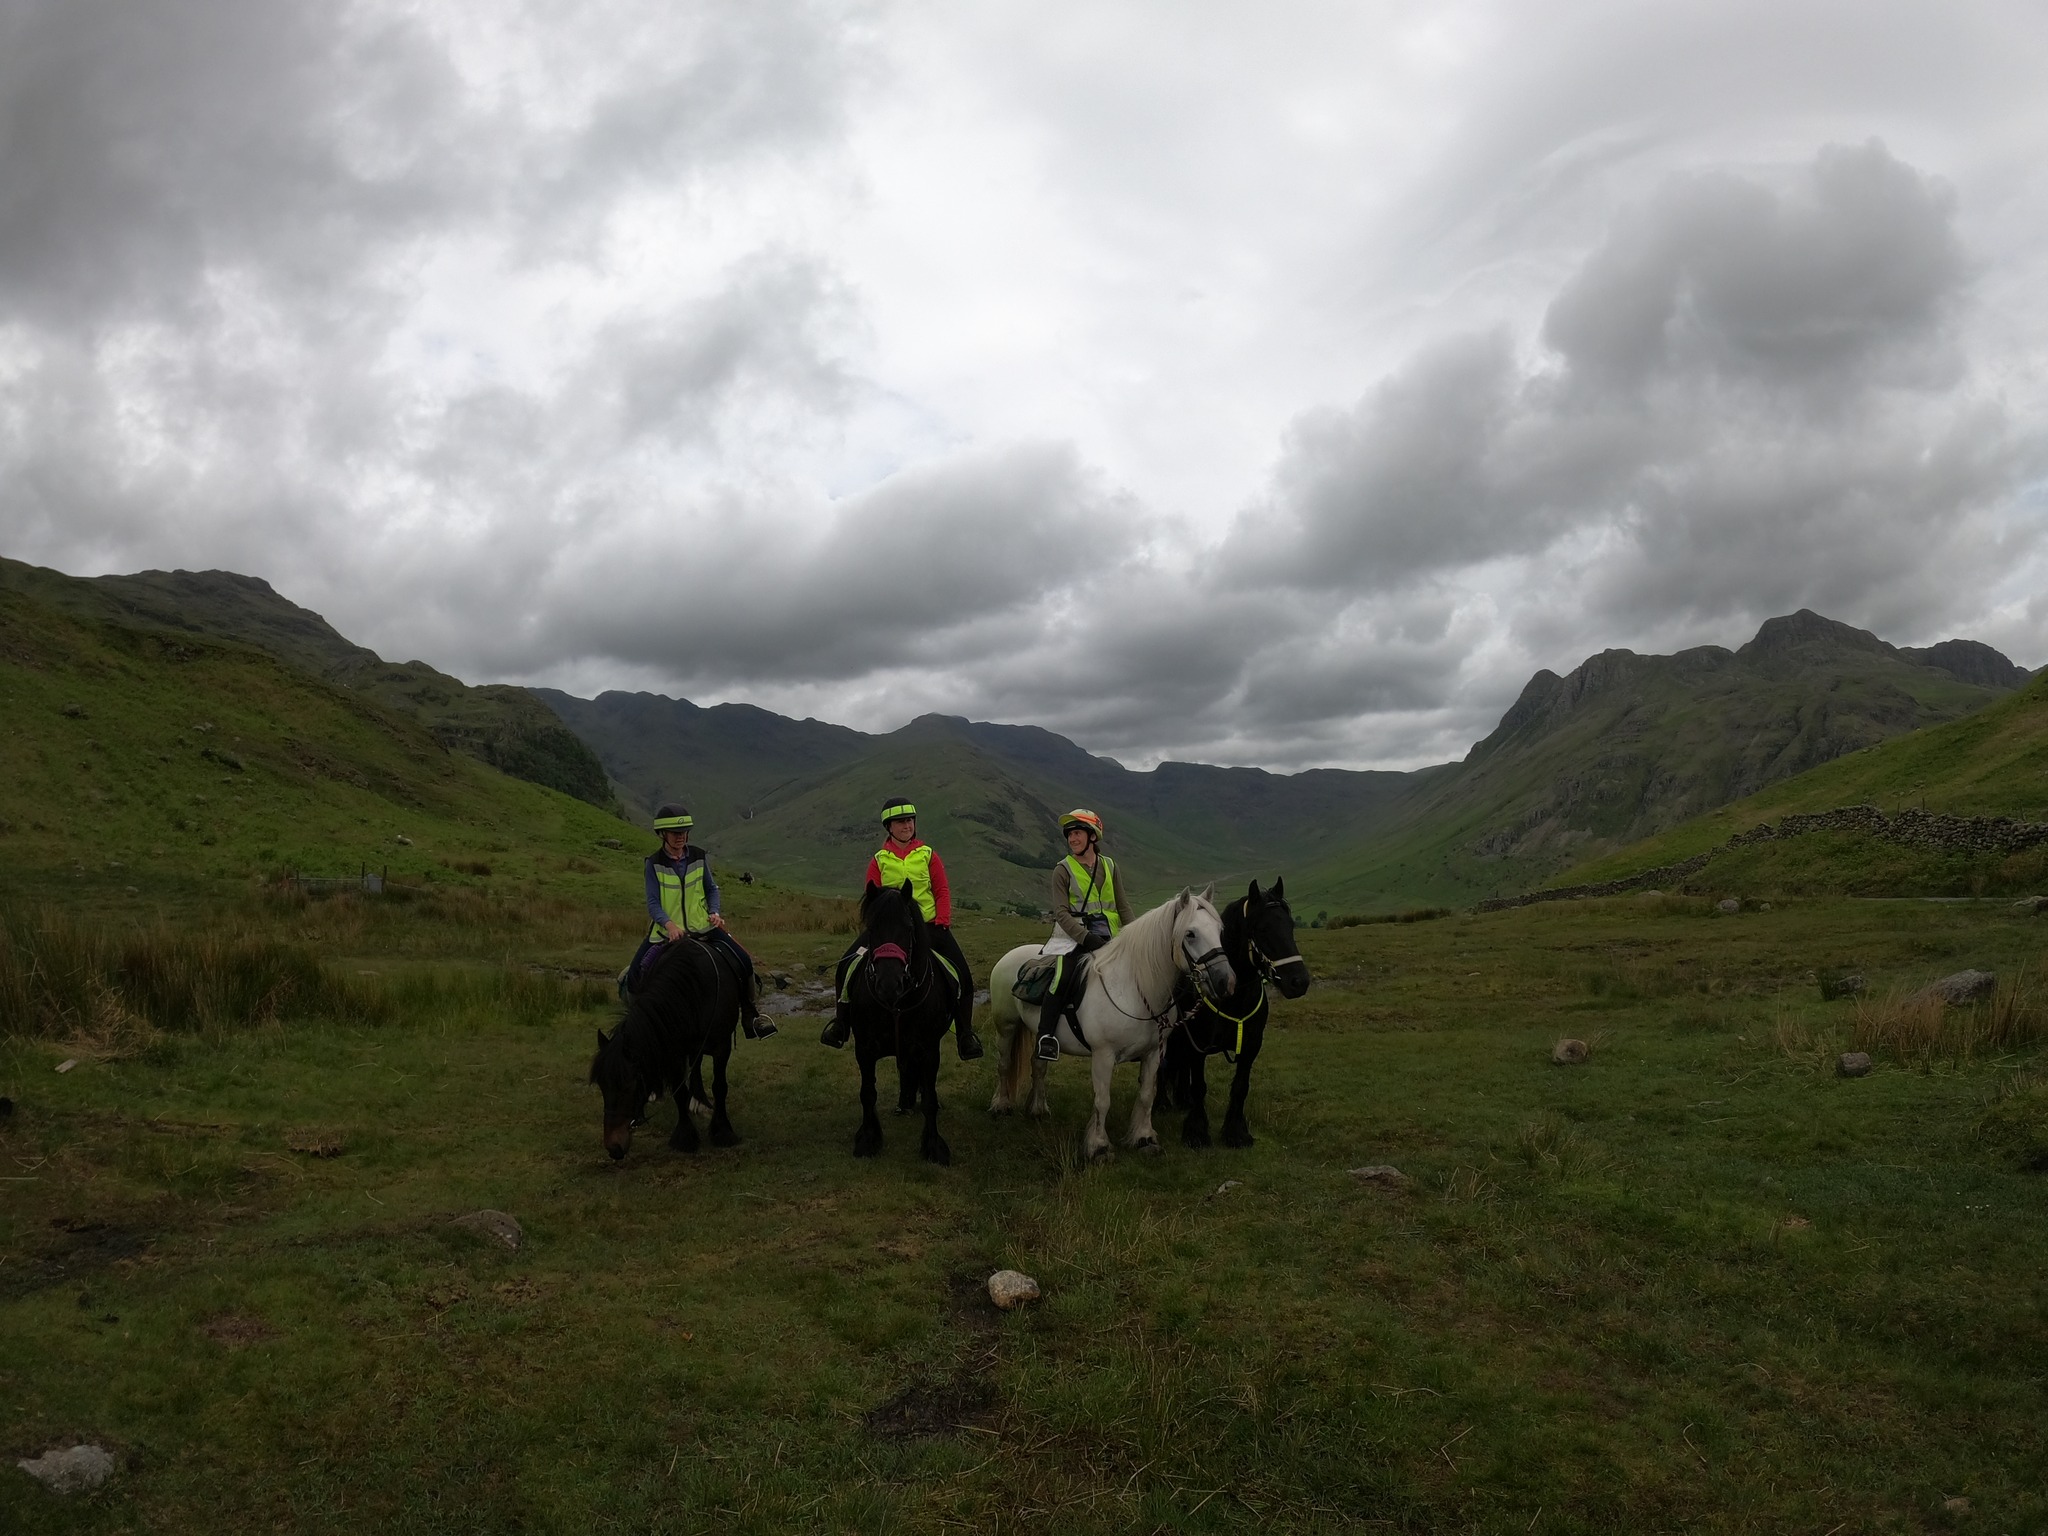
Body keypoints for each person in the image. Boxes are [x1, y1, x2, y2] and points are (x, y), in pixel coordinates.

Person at [820, 798, 985, 1061]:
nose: (907, 825)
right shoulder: (879, 860)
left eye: (910, 820)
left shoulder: (928, 854)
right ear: (889, 827)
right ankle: (841, 1025)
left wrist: (942, 919)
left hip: (929, 927)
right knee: (847, 965)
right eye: (900, 822)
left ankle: (965, 1034)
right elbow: (871, 897)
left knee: (963, 975)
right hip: (889, 930)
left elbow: (941, 889)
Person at [630, 803, 775, 1039]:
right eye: (676, 833)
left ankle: (750, 1016)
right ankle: (639, 1026)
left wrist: (715, 912)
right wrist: (670, 925)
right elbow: (653, 902)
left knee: (744, 960)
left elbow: (711, 889)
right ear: (662, 835)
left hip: (703, 927)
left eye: (684, 833)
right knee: (635, 973)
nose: (681, 837)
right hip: (667, 933)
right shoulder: (653, 863)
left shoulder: (699, 856)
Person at [1037, 808, 1133, 1061]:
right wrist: (1086, 938)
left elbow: (1122, 906)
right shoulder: (1063, 870)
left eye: (1077, 833)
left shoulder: (1110, 866)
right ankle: (1045, 1036)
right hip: (1074, 938)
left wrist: (1135, 937)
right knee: (1062, 977)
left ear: (1092, 836)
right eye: (1069, 835)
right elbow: (1061, 913)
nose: (1072, 839)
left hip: (1111, 937)